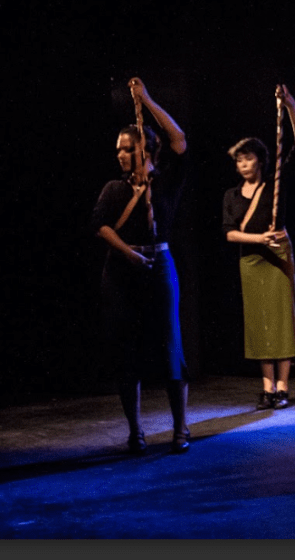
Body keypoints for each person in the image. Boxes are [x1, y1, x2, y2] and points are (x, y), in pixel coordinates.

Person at [91, 78, 191, 455]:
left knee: (170, 346)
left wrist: (146, 99)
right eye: (118, 149)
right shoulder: (113, 189)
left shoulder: (165, 182)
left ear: (145, 149)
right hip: (121, 273)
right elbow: (100, 226)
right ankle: (136, 432)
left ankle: (181, 428)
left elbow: (178, 138)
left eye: (127, 148)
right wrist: (128, 254)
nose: (120, 154)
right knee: (125, 350)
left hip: (159, 267)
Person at [222, 84, 295, 410]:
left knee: (281, 319)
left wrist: (290, 106)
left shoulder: (275, 183)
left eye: (248, 159)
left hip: (278, 256)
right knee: (259, 322)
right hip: (251, 259)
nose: (243, 165)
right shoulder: (231, 196)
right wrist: (259, 239)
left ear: (259, 160)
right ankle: (267, 386)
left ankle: (283, 387)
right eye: (239, 161)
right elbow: (229, 234)